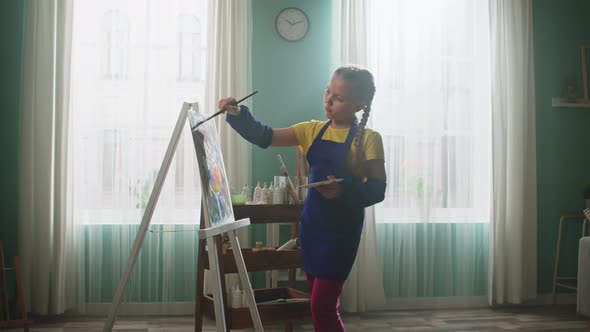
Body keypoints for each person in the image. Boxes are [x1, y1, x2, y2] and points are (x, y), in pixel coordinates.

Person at [219, 65, 386, 332]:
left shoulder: (369, 139)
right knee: (318, 306)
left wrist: (343, 190)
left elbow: (378, 190)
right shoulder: (311, 130)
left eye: (339, 98)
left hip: (342, 234)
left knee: (323, 306)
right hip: (313, 229)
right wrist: (237, 113)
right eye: (327, 91)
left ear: (359, 104)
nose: (328, 101)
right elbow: (265, 136)